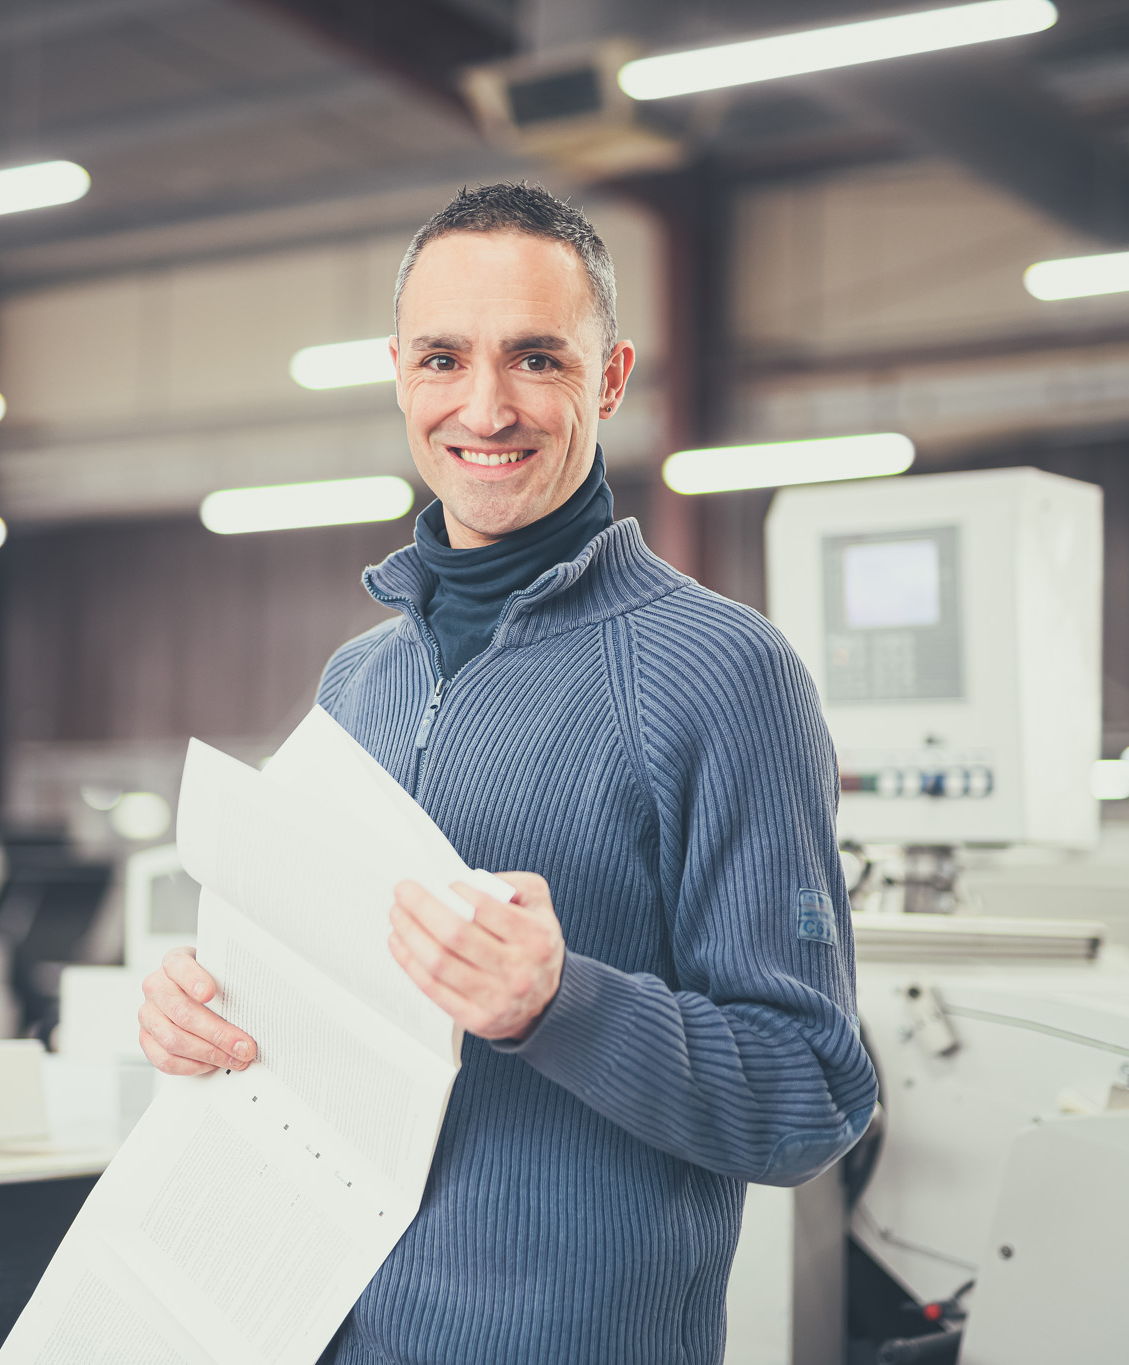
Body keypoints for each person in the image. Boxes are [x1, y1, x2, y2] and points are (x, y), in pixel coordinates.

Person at [138, 182, 875, 1364]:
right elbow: (309, 1009)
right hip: (314, 1330)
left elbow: (810, 1096)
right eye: (442, 358)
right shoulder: (355, 684)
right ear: (397, 374)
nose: (484, 406)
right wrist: (202, 1008)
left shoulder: (722, 675)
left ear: (611, 377)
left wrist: (556, 1005)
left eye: (536, 358)